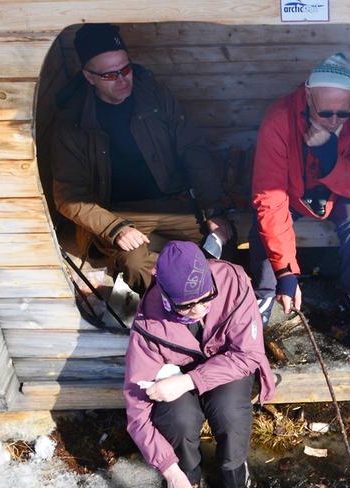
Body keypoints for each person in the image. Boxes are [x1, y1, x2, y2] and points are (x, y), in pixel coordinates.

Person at [52, 23, 232, 296]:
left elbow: (192, 148)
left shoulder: (153, 96)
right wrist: (114, 228)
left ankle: (216, 310)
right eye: (110, 75)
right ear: (89, 77)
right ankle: (177, 316)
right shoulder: (73, 122)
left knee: (223, 238)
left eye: (126, 69)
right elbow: (68, 196)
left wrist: (213, 209)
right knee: (135, 265)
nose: (123, 79)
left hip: (173, 202)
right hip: (118, 213)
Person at [124, 241, 275, 488]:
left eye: (206, 298)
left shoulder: (233, 283)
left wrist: (189, 381)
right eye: (186, 306)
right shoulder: (148, 325)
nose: (199, 310)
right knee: (178, 418)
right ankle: (188, 480)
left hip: (229, 366)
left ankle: (235, 477)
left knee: (229, 411)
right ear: (166, 297)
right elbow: (137, 413)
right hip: (177, 376)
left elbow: (249, 354)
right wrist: (169, 470)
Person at [249, 53, 350, 334]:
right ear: (309, 97)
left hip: (339, 191)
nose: (335, 120)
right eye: (325, 113)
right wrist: (286, 271)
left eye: (342, 113)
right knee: (261, 229)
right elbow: (270, 198)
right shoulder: (279, 119)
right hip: (292, 193)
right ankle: (264, 294)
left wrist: (331, 159)